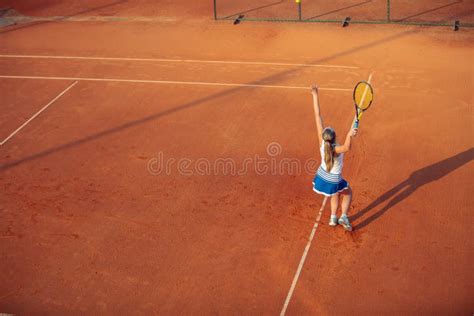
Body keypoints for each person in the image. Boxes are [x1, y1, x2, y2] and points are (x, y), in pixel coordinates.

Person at [311, 85, 357, 231]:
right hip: (333, 180)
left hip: (321, 178)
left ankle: (332, 218)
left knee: (335, 193)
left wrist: (315, 95)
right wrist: (350, 135)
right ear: (334, 137)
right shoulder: (337, 149)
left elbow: (317, 116)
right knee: (348, 192)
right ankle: (343, 216)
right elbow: (347, 148)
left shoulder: (322, 144)